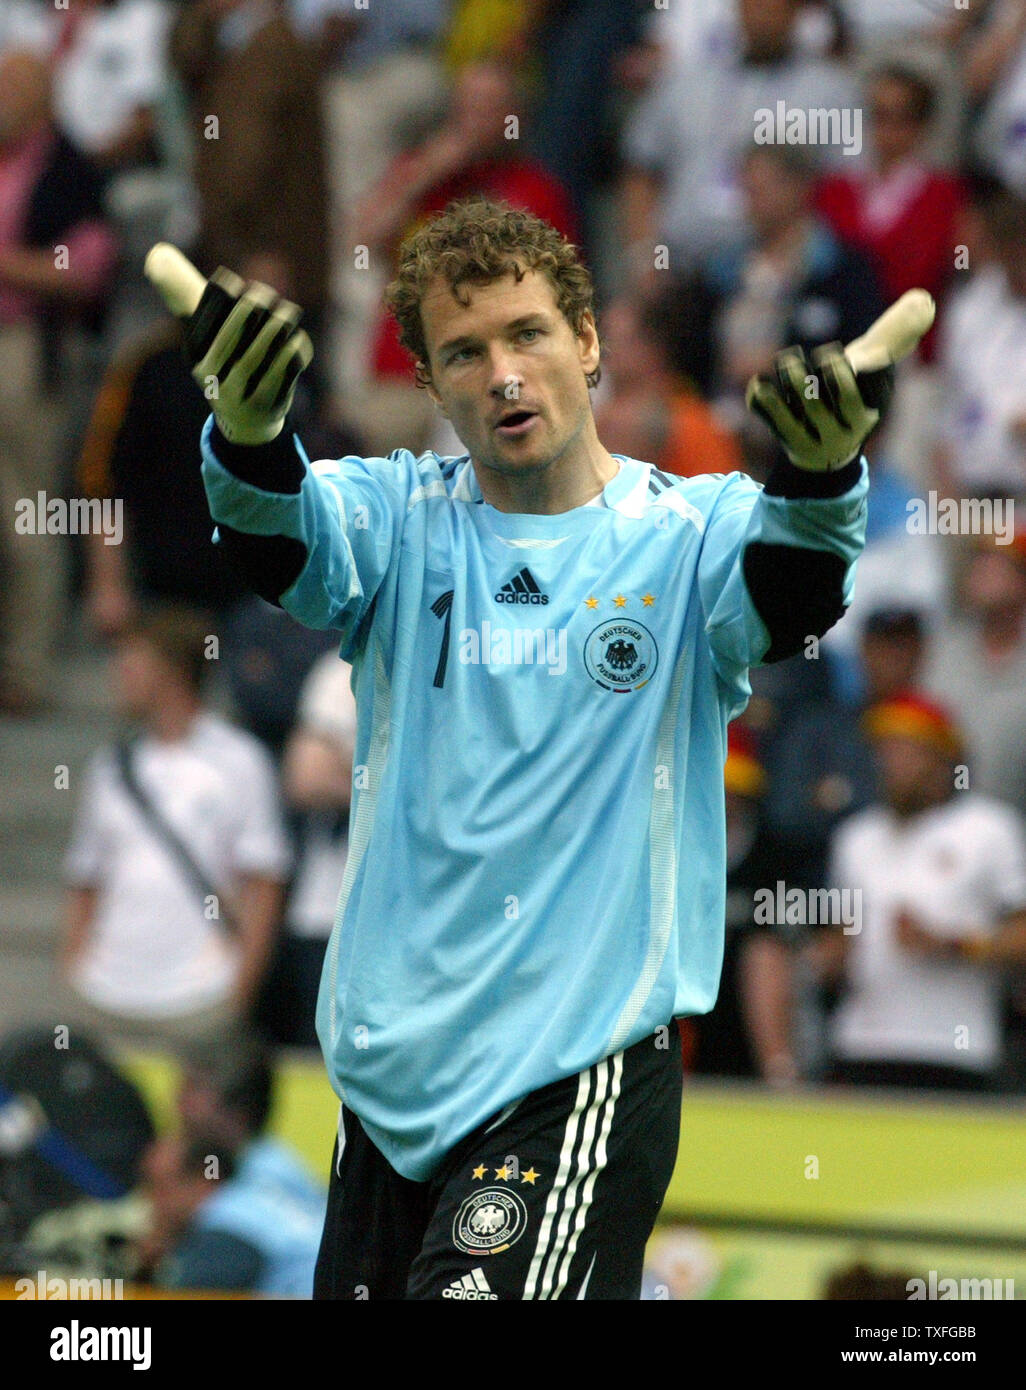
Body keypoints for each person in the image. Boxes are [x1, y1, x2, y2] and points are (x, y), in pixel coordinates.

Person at [148, 195, 900, 1299]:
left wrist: (823, 474)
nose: (502, 373)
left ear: (588, 341)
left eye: (527, 333)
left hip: (573, 1071)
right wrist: (252, 429)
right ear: (429, 383)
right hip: (394, 1088)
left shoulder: (690, 536)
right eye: (464, 351)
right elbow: (279, 535)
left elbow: (790, 588)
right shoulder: (399, 518)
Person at [60, 604, 290, 1054]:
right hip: (104, 992)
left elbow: (264, 883)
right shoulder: (110, 766)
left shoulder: (240, 760)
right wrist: (75, 966)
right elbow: (85, 879)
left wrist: (238, 991)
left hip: (199, 995)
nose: (118, 674)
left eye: (132, 661)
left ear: (171, 670)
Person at [818, 691, 1026, 1092]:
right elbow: (841, 936)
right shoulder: (856, 836)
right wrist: (828, 957)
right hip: (861, 1044)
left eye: (907, 750)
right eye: (884, 750)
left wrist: (955, 945)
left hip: (955, 1048)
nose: (891, 763)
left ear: (944, 760)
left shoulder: (990, 829)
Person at [138, 1037, 326, 1295]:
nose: (179, 1106)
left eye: (193, 1092)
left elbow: (193, 1288)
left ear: (239, 1115)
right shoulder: (284, 1167)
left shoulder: (236, 1202)